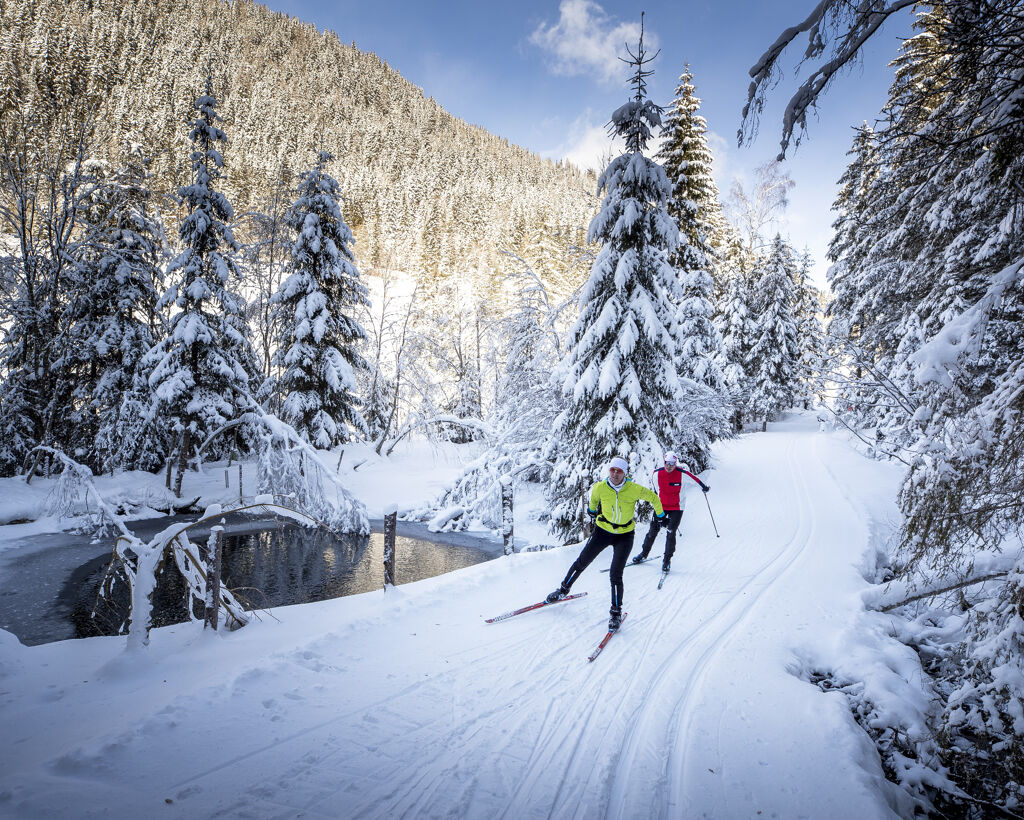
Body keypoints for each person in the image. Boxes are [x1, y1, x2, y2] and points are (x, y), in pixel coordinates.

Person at [546, 456, 665, 631]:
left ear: (625, 473)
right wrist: (592, 511)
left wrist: (661, 515)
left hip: (625, 535)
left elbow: (654, 498)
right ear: (609, 471)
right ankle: (563, 589)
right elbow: (593, 502)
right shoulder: (600, 487)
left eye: (619, 471)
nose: (615, 474)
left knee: (616, 574)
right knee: (582, 561)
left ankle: (615, 613)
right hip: (603, 531)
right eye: (613, 470)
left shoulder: (634, 489)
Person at [631, 451, 709, 573]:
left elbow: (695, 480)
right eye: (667, 463)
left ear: (675, 463)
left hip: (677, 508)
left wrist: (704, 487)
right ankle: (643, 554)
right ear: (664, 462)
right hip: (661, 506)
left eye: (672, 464)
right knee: (652, 530)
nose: (669, 466)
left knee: (671, 532)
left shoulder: (682, 474)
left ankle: (667, 560)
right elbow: (657, 490)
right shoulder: (656, 474)